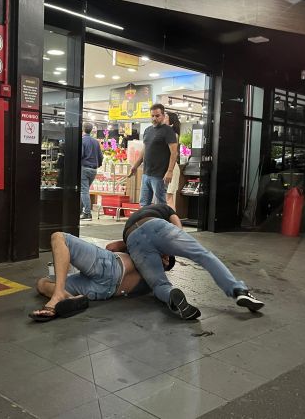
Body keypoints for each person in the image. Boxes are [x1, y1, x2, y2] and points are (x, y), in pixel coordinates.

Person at [107, 204, 265, 320]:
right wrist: (168, 247)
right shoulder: (167, 209)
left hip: (133, 238)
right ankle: (239, 291)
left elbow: (111, 246)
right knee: (203, 255)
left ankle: (171, 297)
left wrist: (138, 252)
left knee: (159, 285)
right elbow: (178, 227)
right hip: (157, 226)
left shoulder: (138, 219)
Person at [29, 232, 174, 322]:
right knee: (42, 283)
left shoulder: (146, 256)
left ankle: (58, 294)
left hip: (111, 267)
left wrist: (130, 243)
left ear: (165, 259)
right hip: (103, 291)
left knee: (59, 238)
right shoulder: (152, 283)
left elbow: (110, 248)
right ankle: (70, 298)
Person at [128, 104, 178, 206]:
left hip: (160, 175)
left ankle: (163, 222)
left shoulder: (168, 131)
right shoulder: (148, 130)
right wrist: (135, 166)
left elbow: (174, 152)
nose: (154, 118)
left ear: (163, 116)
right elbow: (144, 150)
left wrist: (170, 171)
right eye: (152, 116)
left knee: (160, 204)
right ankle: (146, 222)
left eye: (157, 116)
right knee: (143, 203)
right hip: (146, 173)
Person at [80, 122, 103, 221]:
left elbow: (80, 154)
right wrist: (98, 164)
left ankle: (87, 213)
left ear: (83, 129)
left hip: (84, 168)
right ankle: (80, 210)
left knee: (84, 191)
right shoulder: (95, 141)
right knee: (83, 191)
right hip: (94, 170)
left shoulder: (82, 141)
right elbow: (101, 156)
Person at [165, 112, 182, 209]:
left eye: (165, 117)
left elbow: (174, 153)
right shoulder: (169, 134)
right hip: (167, 168)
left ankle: (172, 222)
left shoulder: (173, 135)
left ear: (171, 122)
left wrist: (169, 171)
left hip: (171, 168)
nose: (163, 118)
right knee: (166, 198)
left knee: (169, 198)